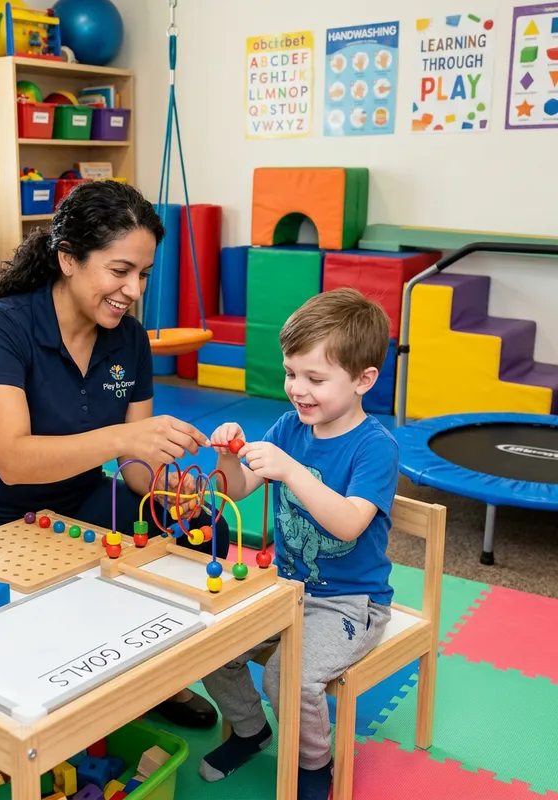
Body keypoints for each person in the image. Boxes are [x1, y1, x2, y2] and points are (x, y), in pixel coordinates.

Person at [0, 180, 229, 729]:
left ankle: (154, 672)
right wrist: (121, 441)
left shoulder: (129, 339)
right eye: (119, 271)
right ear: (68, 259)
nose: (133, 289)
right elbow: (12, 460)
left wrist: (167, 486)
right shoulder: (1, 327)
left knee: (202, 530)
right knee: (17, 684)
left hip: (76, 503)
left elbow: (139, 465)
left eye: (143, 274)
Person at [197, 288, 400, 800]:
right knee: (209, 649)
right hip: (287, 591)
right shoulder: (291, 426)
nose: (297, 389)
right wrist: (226, 457)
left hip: (351, 602)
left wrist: (291, 471)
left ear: (363, 380)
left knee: (287, 679)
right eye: (291, 373)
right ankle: (251, 731)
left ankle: (314, 765)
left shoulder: (376, 446)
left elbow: (350, 523)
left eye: (315, 378)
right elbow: (239, 487)